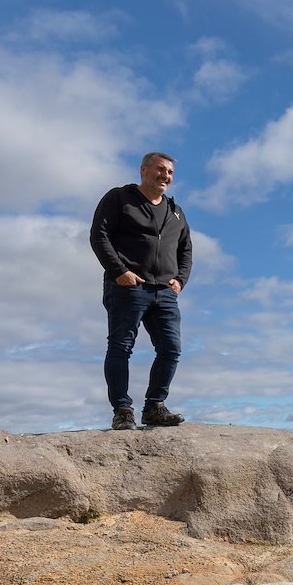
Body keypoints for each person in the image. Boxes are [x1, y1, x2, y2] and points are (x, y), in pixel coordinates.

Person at [90, 152, 193, 430]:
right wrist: (119, 272)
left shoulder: (176, 211)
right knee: (121, 347)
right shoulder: (119, 198)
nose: (166, 176)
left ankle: (154, 407)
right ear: (144, 170)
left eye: (170, 172)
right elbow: (99, 236)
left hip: (165, 292)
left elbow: (186, 250)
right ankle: (122, 410)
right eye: (161, 169)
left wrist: (180, 280)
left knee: (171, 349)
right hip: (128, 287)